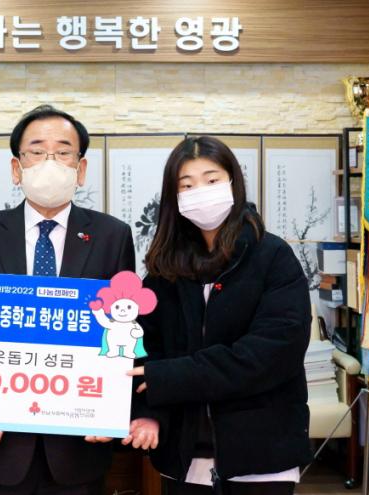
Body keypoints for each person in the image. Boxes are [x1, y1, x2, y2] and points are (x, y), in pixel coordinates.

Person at [0, 104, 135, 494]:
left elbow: (125, 330)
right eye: (36, 151)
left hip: (79, 449)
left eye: (63, 151)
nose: (50, 161)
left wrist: (111, 409)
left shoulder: (112, 237)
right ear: (16, 168)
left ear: (80, 169)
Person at [126, 136, 312, 495]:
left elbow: (271, 354)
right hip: (183, 457)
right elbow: (143, 349)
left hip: (261, 455)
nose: (200, 191)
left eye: (211, 180)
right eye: (187, 185)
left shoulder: (272, 257)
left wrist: (173, 376)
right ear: (174, 196)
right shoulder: (166, 268)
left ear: (233, 182)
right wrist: (148, 412)